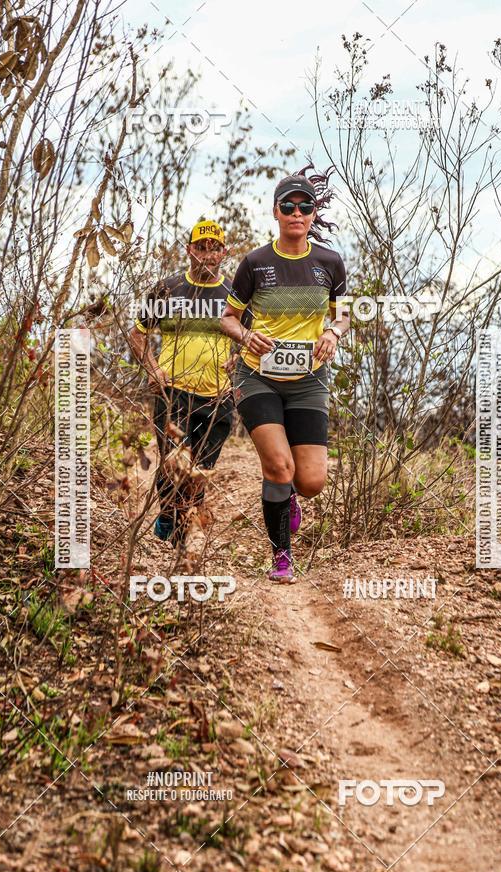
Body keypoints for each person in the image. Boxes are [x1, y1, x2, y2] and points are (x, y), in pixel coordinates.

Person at [221, 171, 350, 583]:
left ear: (313, 214)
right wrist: (246, 334)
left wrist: (333, 331)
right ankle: (281, 557)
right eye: (289, 206)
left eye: (305, 206)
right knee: (279, 466)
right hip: (258, 375)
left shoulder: (329, 263)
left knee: (310, 481)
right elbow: (228, 318)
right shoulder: (256, 263)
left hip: (309, 379)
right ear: (276, 212)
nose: (297, 213)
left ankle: (289, 494)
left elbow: (343, 314)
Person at [129, 220, 234, 546]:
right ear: (189, 250)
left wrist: (240, 362)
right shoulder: (167, 289)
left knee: (200, 470)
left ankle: (173, 518)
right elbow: (137, 335)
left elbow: (253, 338)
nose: (206, 254)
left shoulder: (235, 294)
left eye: (213, 248)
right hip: (172, 392)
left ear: (223, 252)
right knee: (175, 463)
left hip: (218, 396)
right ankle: (178, 531)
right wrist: (152, 369)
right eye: (200, 247)